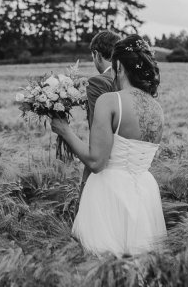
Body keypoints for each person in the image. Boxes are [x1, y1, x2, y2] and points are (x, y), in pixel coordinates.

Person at [51, 34, 166, 257]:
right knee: (140, 264)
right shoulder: (157, 109)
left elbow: (96, 162)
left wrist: (64, 130)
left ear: (119, 66)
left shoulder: (111, 101)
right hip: (145, 192)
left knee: (101, 264)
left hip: (110, 191)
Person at [81, 30, 122, 193]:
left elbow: (97, 127)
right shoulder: (131, 80)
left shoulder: (97, 82)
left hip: (104, 162)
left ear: (96, 54)